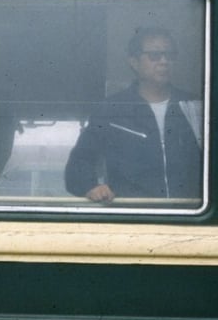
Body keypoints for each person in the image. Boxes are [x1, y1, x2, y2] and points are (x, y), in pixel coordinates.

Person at [64, 25, 203, 203]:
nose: (164, 61)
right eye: (154, 55)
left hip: (189, 217)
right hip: (133, 216)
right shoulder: (111, 109)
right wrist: (91, 187)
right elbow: (80, 161)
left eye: (170, 55)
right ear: (134, 62)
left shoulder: (194, 105)